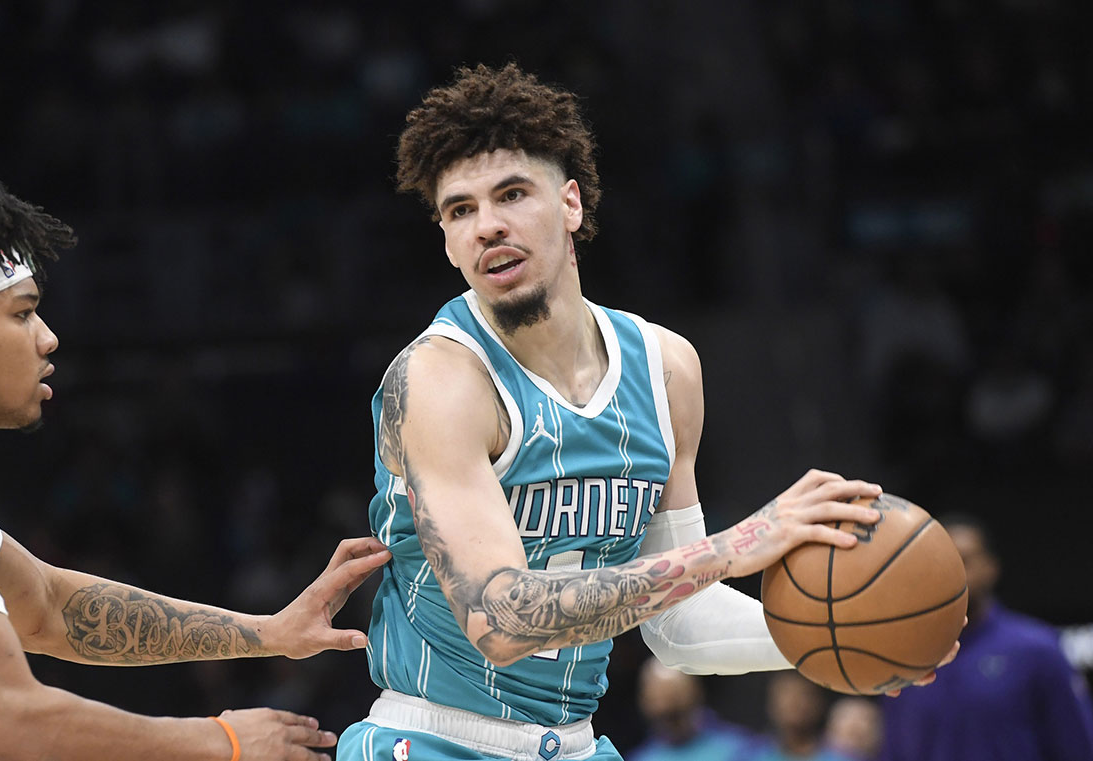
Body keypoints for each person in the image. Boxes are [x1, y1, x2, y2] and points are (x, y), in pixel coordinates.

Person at [336, 63, 948, 761]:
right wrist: (735, 545)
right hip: (433, 738)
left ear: (570, 204)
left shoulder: (666, 367)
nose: (488, 226)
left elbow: (678, 622)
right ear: (445, 239)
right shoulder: (440, 379)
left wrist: (845, 632)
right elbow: (500, 619)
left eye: (511, 194)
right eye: (460, 210)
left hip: (573, 744)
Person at [0, 137, 391, 761]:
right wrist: (221, 741)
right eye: (22, 315)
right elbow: (7, 725)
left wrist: (270, 633)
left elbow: (50, 608)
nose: (48, 339)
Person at [879, 514, 1093, 761]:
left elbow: (1078, 748)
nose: (951, 571)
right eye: (940, 560)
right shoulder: (903, 656)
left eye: (965, 560)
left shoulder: (1036, 648)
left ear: (991, 568)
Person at [627, 657, 752, 761]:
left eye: (675, 697)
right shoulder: (641, 758)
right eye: (657, 699)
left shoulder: (739, 750)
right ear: (644, 701)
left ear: (696, 692)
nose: (665, 707)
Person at [740, 672, 849, 761]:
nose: (794, 703)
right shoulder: (747, 754)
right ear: (770, 702)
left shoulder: (843, 756)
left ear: (819, 703)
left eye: (804, 694)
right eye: (785, 694)